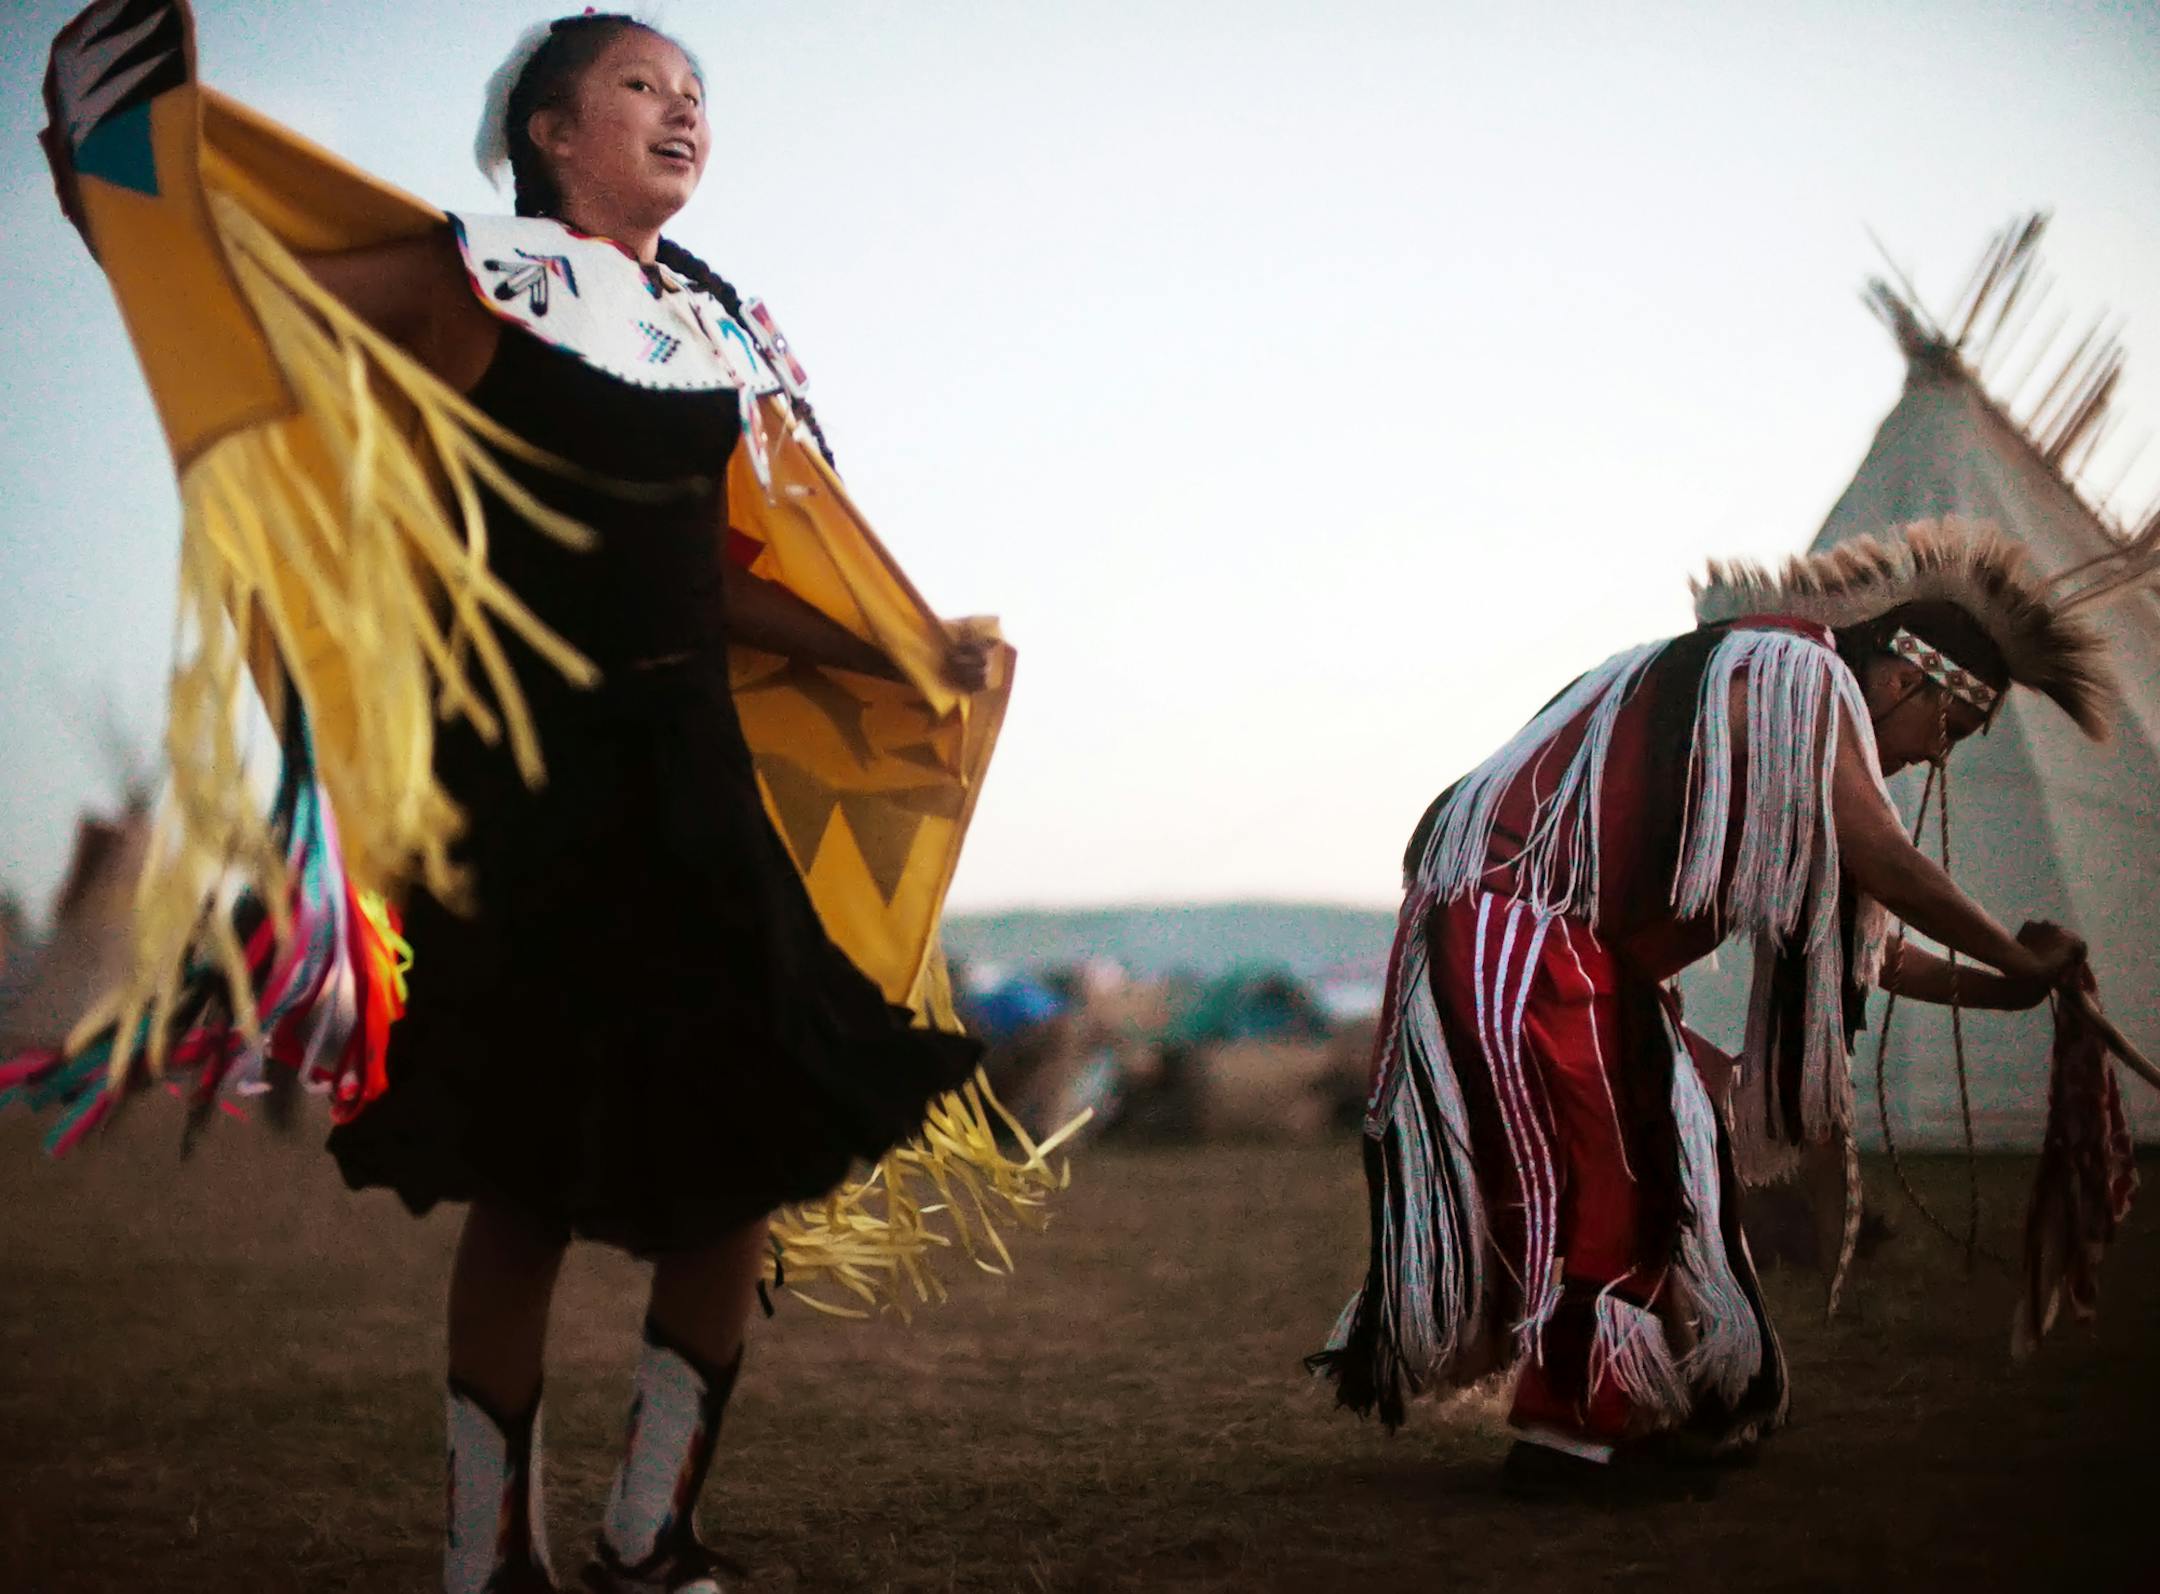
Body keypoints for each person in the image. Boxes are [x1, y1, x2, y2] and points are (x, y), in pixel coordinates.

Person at [26, 7, 1029, 1590]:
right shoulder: (472, 273)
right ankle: (487, 1557)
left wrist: (891, 652)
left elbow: (705, 574)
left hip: (696, 796)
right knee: (529, 1181)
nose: (681, 111)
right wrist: (127, 198)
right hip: (529, 802)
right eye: (640, 86)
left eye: (696, 94)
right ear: (552, 132)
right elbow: (244, 309)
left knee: (748, 1152)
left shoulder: (714, 332)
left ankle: (653, 1531)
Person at [1310, 521, 2107, 1499]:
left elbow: (1872, 944)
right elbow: (1888, 863)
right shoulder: (1794, 677)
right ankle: (1570, 1436)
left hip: (1559, 946)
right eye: (1951, 727)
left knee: (1688, 1144)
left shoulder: (1779, 728)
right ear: (1908, 676)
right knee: (1634, 1160)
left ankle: (1652, 1399)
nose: (1937, 759)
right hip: (1522, 926)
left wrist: (2016, 984)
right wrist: (2014, 953)